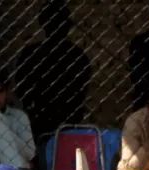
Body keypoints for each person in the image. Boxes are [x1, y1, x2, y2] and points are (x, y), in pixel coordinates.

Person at [14, 0, 92, 155]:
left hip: (47, 120)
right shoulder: (78, 56)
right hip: (57, 121)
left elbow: (22, 91)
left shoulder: (30, 54)